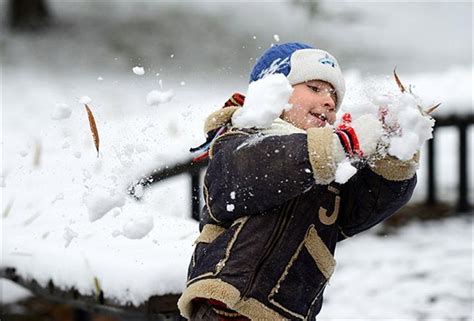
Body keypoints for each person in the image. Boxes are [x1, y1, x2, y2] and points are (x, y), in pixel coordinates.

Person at [177, 42, 418, 320]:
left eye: (333, 97)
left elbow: (369, 203)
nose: (328, 102)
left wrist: (395, 153)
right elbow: (266, 167)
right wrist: (342, 144)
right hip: (224, 306)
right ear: (273, 93)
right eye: (314, 89)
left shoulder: (329, 166)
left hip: (289, 310)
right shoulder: (239, 139)